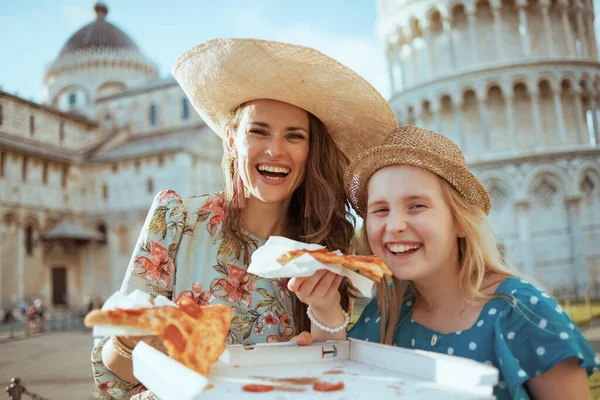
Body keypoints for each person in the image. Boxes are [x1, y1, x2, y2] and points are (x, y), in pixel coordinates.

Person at [91, 38, 397, 399]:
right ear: (231, 141)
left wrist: (326, 308)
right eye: (258, 130)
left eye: (294, 136)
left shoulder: (322, 247)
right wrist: (129, 340)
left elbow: (327, 375)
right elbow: (112, 378)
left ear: (310, 150)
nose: (275, 150)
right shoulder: (175, 219)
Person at [291, 126, 598, 400]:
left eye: (417, 206)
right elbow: (339, 380)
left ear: (460, 223)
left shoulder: (524, 313)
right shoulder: (385, 314)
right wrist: (324, 309)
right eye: (380, 209)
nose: (395, 225)